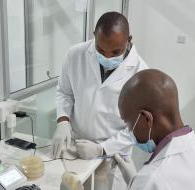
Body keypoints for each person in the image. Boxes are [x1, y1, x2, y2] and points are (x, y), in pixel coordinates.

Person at [52, 12, 148, 190]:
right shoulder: (75, 55)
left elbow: (138, 126)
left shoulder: (141, 72)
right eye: (101, 50)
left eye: (116, 52)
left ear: (129, 40)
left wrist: (102, 149)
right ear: (94, 36)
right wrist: (63, 121)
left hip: (112, 156)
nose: (108, 57)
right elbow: (64, 92)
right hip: (76, 148)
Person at [114, 69, 195, 190]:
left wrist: (137, 184)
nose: (130, 130)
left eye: (128, 123)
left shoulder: (152, 179)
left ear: (147, 119)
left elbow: (155, 181)